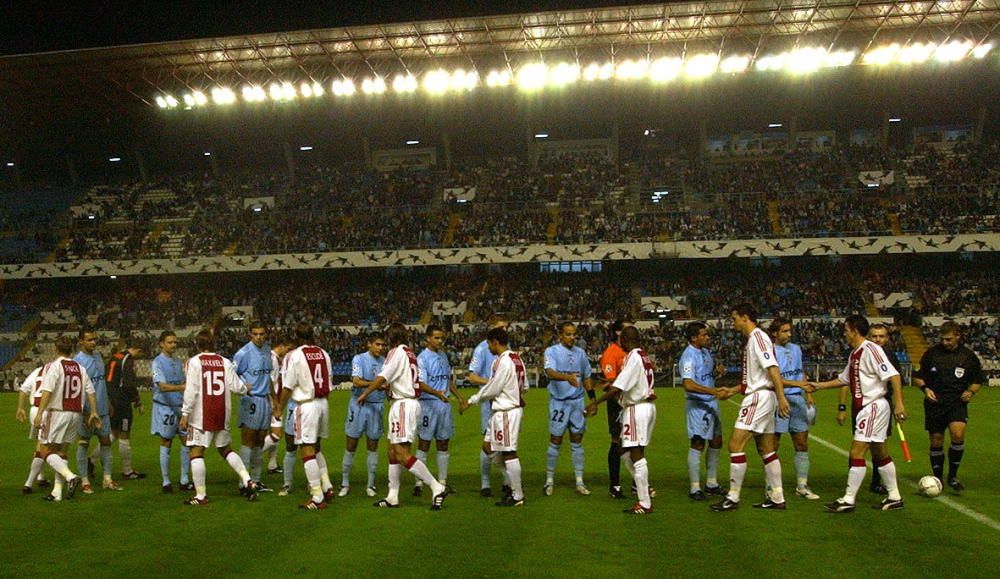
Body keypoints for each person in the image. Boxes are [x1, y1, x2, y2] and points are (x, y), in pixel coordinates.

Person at [805, 315, 906, 512]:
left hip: (873, 406)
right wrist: (819, 386)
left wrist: (899, 404)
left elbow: (893, 375)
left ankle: (848, 499)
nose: (844, 334)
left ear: (854, 330)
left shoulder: (871, 350)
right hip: (867, 408)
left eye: (846, 330)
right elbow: (844, 379)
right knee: (880, 453)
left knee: (856, 452)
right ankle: (894, 496)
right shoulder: (855, 354)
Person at [357, 323, 449, 510]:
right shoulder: (410, 353)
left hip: (403, 405)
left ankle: (436, 486)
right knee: (392, 451)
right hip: (406, 403)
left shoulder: (396, 352)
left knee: (401, 453)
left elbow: (383, 376)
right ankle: (392, 496)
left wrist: (365, 393)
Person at [710, 303, 790, 512]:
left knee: (735, 445)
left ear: (745, 317)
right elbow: (756, 377)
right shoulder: (754, 339)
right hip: (762, 394)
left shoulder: (758, 338)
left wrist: (782, 397)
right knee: (766, 449)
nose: (733, 322)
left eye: (735, 318)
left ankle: (733, 497)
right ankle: (777, 497)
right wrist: (733, 390)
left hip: (760, 398)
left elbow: (772, 368)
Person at [179, 329, 258, 505]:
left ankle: (200, 496)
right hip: (222, 413)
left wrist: (185, 413)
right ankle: (247, 480)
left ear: (198, 345)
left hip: (201, 415)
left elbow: (191, 390)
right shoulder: (224, 361)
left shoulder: (194, 362)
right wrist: (246, 388)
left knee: (196, 452)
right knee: (226, 450)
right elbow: (237, 386)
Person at [587, 327, 657, 515]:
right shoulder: (644, 356)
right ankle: (645, 489)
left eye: (621, 339)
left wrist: (595, 403)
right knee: (624, 450)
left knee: (635, 453)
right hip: (646, 406)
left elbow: (618, 388)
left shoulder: (633, 357)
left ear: (626, 338)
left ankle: (644, 502)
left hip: (637, 408)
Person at [461, 327, 529, 507]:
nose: (488, 347)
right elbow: (526, 385)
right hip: (502, 410)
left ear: (495, 342)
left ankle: (517, 494)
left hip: (506, 410)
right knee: (487, 445)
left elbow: (494, 387)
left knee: (509, 452)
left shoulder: (504, 361)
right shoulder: (517, 358)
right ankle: (510, 480)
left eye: (489, 343)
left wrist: (472, 399)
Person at [914, 321, 983, 494]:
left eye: (949, 339)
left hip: (957, 403)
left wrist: (971, 392)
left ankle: (952, 476)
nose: (945, 342)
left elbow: (977, 380)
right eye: (943, 339)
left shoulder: (968, 357)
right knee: (936, 440)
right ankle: (937, 478)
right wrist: (925, 389)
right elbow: (917, 377)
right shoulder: (931, 354)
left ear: (958, 336)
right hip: (935, 403)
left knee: (957, 435)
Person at [33, 335, 102, 501]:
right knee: (62, 452)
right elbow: (90, 391)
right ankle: (57, 492)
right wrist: (93, 411)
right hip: (75, 415)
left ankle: (70, 476)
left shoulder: (55, 367)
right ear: (71, 350)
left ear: (56, 349)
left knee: (45, 450)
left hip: (58, 412)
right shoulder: (79, 367)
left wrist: (40, 413)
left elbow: (47, 391)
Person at [277, 322, 335, 510]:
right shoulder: (323, 353)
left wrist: (280, 407)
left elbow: (287, 386)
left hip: (306, 404)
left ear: (296, 336)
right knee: (317, 447)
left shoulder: (294, 355)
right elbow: (330, 380)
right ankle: (327, 485)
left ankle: (317, 495)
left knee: (306, 449)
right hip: (323, 403)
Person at [543, 321, 596, 496]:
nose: (572, 337)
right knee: (555, 440)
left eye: (574, 334)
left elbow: (587, 376)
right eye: (568, 334)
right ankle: (549, 481)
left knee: (577, 440)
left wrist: (593, 400)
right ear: (560, 335)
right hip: (559, 402)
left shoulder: (580, 353)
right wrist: (566, 377)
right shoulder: (551, 352)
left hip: (577, 402)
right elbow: (549, 372)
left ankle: (579, 482)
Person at [768, 319, 819, 500]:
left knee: (802, 443)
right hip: (778, 399)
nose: (789, 334)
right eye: (785, 331)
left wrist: (808, 394)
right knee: (773, 445)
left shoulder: (796, 348)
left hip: (797, 399)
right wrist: (798, 384)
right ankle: (771, 487)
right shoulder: (770, 351)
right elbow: (773, 378)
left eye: (790, 331)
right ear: (775, 333)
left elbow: (800, 370)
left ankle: (802, 486)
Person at [414, 324, 464, 496]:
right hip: (428, 405)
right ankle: (419, 482)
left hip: (444, 405)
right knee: (424, 443)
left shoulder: (443, 355)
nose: (440, 341)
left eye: (441, 338)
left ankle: (442, 482)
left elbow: (447, 379)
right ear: (428, 338)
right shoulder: (422, 359)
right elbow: (420, 384)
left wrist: (458, 397)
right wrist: (438, 394)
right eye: (436, 337)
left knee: (443, 443)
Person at [678, 321, 724, 500]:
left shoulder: (705, 352)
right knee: (698, 443)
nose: (707, 337)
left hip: (711, 403)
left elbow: (705, 375)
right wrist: (712, 390)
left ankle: (711, 483)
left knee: (716, 441)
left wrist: (717, 373)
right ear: (693, 338)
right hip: (698, 406)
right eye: (703, 335)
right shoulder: (688, 357)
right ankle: (695, 488)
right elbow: (688, 384)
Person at [338, 332, 386, 498]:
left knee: (373, 447)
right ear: (369, 344)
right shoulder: (359, 359)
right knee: (351, 445)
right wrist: (376, 385)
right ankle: (344, 483)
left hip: (376, 406)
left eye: (382, 345)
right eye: (377, 344)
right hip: (359, 405)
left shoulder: (385, 361)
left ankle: (370, 485)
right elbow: (356, 381)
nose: (380, 348)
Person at [467, 314, 510, 497]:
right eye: (501, 327)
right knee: (488, 441)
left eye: (506, 327)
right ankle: (485, 483)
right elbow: (472, 376)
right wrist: (493, 383)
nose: (505, 331)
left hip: (506, 402)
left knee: (507, 443)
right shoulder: (482, 349)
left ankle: (508, 481)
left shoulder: (507, 349)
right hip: (489, 403)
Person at [74, 328, 120, 493]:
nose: (93, 342)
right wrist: (85, 412)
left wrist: (107, 402)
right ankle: (85, 481)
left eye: (95, 339)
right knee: (83, 443)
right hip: (86, 411)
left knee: (106, 442)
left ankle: (107, 479)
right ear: (81, 342)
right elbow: (77, 390)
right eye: (89, 340)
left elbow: (101, 382)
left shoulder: (98, 356)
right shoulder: (77, 362)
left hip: (102, 409)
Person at [861, 323, 903, 494]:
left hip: (882, 404)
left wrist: (899, 405)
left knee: (880, 444)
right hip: (863, 404)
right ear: (868, 337)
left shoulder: (890, 355)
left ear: (887, 338)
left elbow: (896, 380)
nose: (878, 339)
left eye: (881, 336)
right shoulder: (863, 352)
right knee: (861, 446)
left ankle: (878, 481)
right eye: (874, 336)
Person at [233, 321, 275, 490]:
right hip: (250, 400)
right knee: (248, 441)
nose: (259, 337)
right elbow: (231, 374)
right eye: (255, 334)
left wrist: (275, 400)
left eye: (262, 334)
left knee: (259, 442)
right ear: (250, 334)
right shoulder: (243, 353)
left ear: (266, 334)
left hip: (264, 400)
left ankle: (256, 481)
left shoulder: (267, 351)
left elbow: (268, 377)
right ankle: (244, 482)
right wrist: (243, 387)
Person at [151, 330, 193, 493]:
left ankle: (184, 480)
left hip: (180, 407)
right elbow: (161, 385)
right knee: (166, 441)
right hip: (164, 408)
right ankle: (166, 481)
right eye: (170, 342)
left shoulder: (177, 361)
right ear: (161, 344)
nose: (173, 345)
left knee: (186, 442)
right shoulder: (157, 362)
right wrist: (182, 387)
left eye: (175, 342)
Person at [597, 319, 632, 499]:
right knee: (617, 441)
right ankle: (615, 485)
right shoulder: (611, 353)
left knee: (636, 442)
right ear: (618, 333)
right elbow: (611, 382)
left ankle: (637, 482)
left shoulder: (632, 351)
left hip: (633, 402)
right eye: (628, 329)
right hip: (617, 402)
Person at [105, 340, 146, 480]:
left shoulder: (115, 357)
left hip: (111, 399)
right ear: (137, 349)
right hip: (122, 401)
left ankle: (91, 460)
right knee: (124, 434)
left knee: (113, 433)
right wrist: (137, 400)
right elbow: (129, 384)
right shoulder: (128, 360)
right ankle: (127, 471)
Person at [16, 364, 50, 493]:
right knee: (45, 447)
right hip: (45, 411)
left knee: (40, 444)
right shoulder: (58, 371)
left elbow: (23, 389)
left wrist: (20, 408)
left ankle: (41, 477)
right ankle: (28, 483)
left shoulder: (38, 370)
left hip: (33, 410)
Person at [263, 333, 294, 477]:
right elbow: (269, 382)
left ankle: (272, 464)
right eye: (288, 349)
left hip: (271, 399)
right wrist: (276, 403)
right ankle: (251, 455)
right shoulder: (272, 360)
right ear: (281, 346)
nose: (289, 352)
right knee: (277, 435)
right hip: (271, 400)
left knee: (272, 433)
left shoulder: (275, 358)